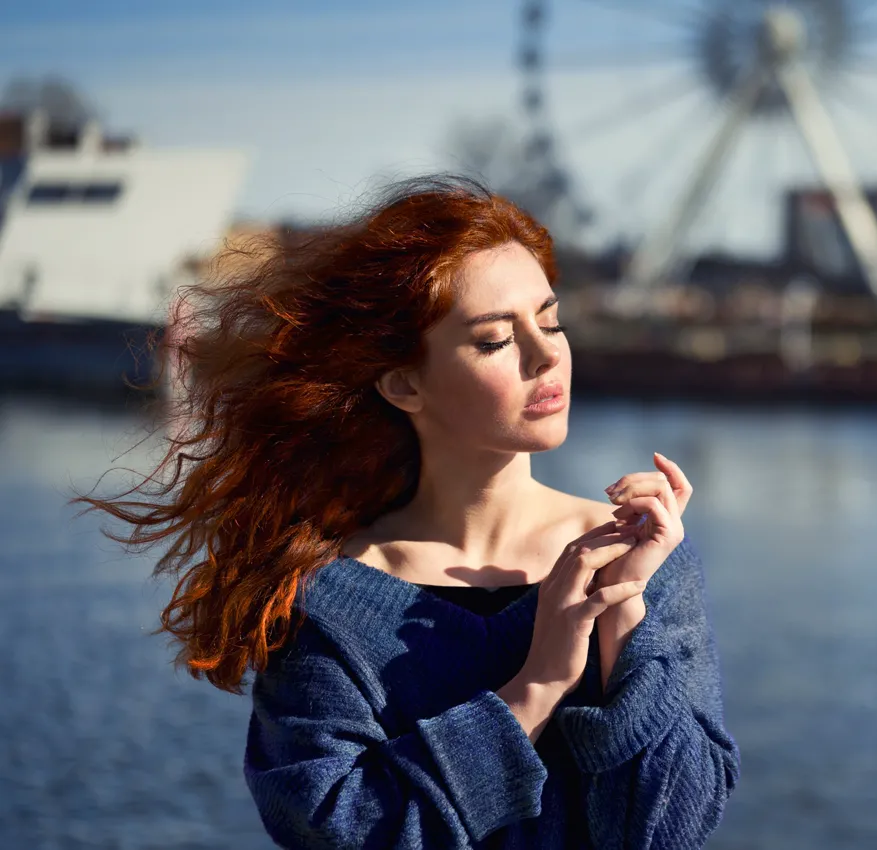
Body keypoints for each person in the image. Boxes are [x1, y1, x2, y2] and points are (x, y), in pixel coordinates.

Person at [74, 176, 740, 848]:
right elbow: (339, 832)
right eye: (492, 340)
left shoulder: (648, 561)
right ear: (403, 383)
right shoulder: (324, 606)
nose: (546, 356)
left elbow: (667, 827)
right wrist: (535, 687)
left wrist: (624, 617)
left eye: (550, 320)